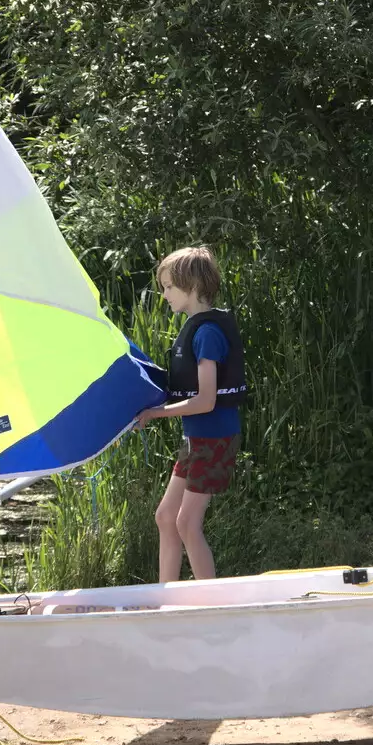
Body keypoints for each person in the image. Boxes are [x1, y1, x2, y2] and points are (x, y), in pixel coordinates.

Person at [136, 246, 246, 582]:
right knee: (166, 516)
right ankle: (166, 596)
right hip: (196, 439)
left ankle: (208, 603)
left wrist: (156, 413)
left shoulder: (208, 334)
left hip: (214, 439)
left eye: (169, 287)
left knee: (186, 522)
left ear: (193, 286)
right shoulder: (196, 329)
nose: (164, 294)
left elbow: (206, 401)